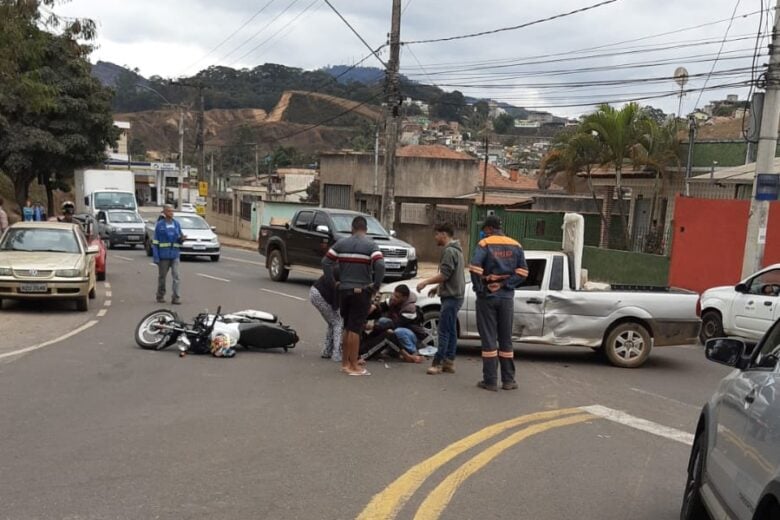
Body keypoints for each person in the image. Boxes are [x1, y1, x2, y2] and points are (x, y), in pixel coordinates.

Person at [469, 215, 528, 392]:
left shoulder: (484, 244)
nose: (483, 232)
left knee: (488, 339)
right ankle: (509, 380)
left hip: (488, 297)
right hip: (506, 297)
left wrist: (481, 289)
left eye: (484, 229)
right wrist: (504, 285)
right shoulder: (516, 245)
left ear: (488, 228)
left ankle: (490, 381)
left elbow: (475, 268)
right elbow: (523, 272)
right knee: (505, 339)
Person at [322, 216, 385, 376]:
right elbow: (380, 264)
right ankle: (354, 366)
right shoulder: (371, 245)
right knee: (355, 328)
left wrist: (333, 282)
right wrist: (376, 285)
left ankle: (345, 364)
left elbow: (326, 262)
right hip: (362, 290)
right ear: (366, 229)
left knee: (346, 326)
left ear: (352, 228)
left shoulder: (342, 243)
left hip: (344, 289)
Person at [417, 222, 465, 375]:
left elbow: (445, 274)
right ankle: (449, 363)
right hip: (455, 295)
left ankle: (437, 363)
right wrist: (437, 287)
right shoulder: (456, 250)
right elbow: (451, 276)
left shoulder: (450, 251)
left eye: (437, 234)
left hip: (452, 297)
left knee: (443, 330)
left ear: (444, 234)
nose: (435, 238)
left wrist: (425, 282)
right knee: (450, 330)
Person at [366, 284, 424, 363]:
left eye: (397, 297)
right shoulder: (392, 300)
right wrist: (374, 307)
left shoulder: (410, 309)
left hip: (411, 334)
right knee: (383, 321)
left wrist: (374, 326)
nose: (393, 298)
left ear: (404, 298)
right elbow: (382, 307)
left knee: (397, 331)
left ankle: (412, 351)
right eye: (393, 294)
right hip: (397, 327)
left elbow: (396, 324)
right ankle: (390, 350)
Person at [152, 204, 185, 304]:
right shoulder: (160, 225)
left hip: (174, 255)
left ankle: (176, 297)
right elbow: (155, 242)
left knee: (176, 276)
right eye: (169, 211)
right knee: (162, 277)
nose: (172, 213)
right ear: (165, 212)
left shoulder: (176, 224)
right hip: (163, 256)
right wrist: (156, 257)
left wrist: (182, 239)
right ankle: (160, 295)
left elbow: (179, 238)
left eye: (172, 211)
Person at [310, 274, 343, 362]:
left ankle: (327, 351)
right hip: (321, 295)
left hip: (315, 292)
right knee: (338, 322)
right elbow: (337, 295)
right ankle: (337, 354)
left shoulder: (341, 268)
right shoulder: (345, 274)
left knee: (332, 322)